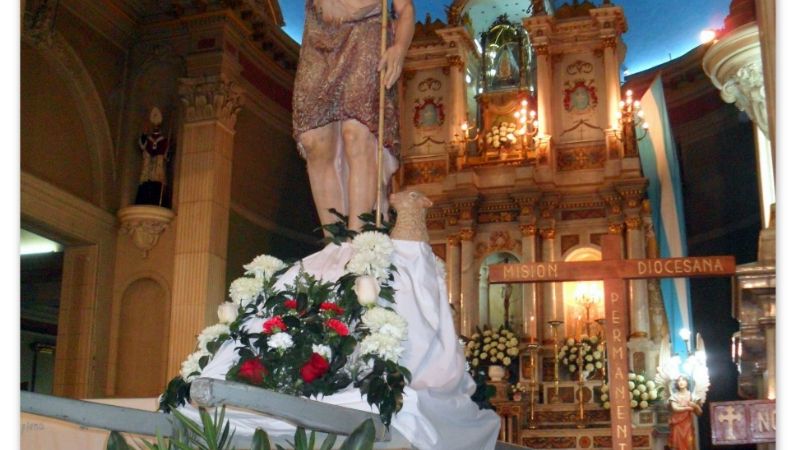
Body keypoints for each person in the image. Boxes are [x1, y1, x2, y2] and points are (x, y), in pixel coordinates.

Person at [293, 0, 415, 231]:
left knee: (357, 133)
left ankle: (359, 237)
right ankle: (335, 239)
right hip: (318, 34)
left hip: (368, 29)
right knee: (314, 141)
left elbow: (405, 8)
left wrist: (399, 47)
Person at [135, 107, 171, 206]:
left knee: (157, 180)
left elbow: (166, 154)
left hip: (158, 168)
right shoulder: (148, 139)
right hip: (148, 168)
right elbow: (143, 145)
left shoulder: (163, 140)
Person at [668, 375, 703, 450]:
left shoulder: (692, 396)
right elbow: (675, 408)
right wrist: (688, 408)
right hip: (677, 424)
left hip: (688, 424)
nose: (681, 382)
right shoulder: (674, 397)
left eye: (683, 380)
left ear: (687, 382)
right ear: (676, 383)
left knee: (689, 443)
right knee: (677, 444)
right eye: (679, 380)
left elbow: (699, 412)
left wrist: (695, 406)